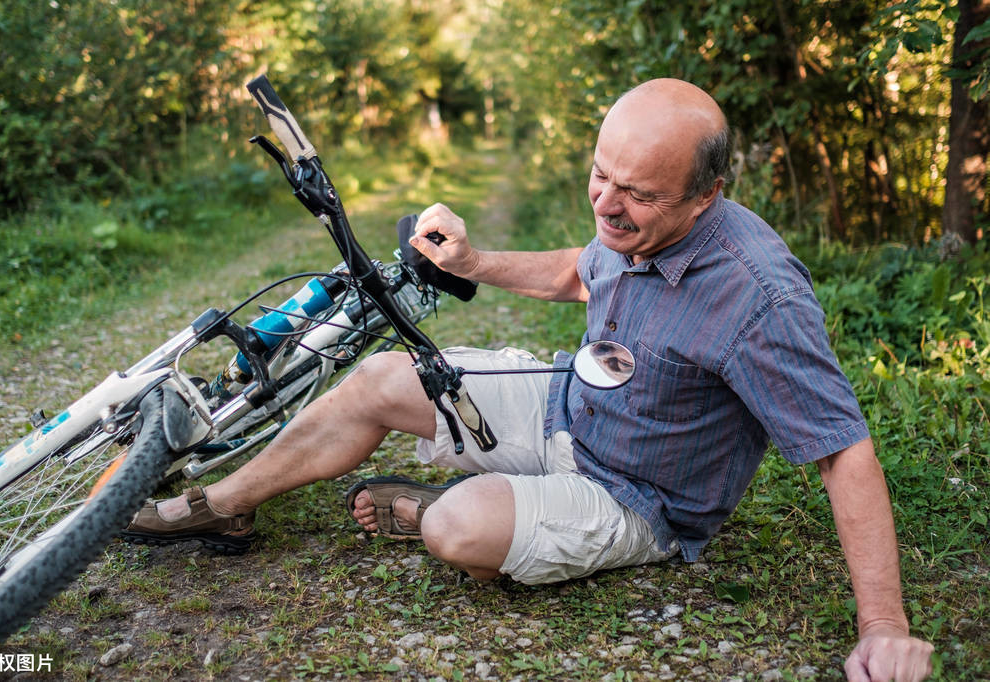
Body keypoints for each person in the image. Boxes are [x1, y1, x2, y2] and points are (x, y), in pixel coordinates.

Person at [122, 79, 934, 681]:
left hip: (635, 497)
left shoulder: (760, 300)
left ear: (707, 194)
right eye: (599, 176)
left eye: (637, 194)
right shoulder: (628, 225)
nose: (606, 207)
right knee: (376, 378)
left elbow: (842, 452)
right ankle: (222, 509)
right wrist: (472, 263)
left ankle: (456, 503)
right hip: (565, 402)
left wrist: (882, 624)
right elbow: (581, 273)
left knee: (457, 532)